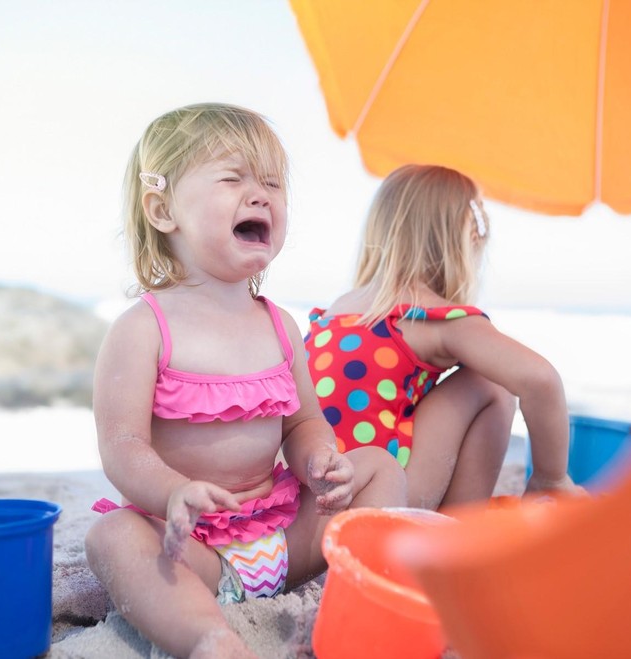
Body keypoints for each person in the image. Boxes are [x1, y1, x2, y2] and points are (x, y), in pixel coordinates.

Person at [84, 103, 407, 659]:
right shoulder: (143, 330)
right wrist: (172, 492)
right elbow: (122, 447)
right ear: (163, 211)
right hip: (193, 548)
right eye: (233, 178)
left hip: (284, 535)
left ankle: (368, 591)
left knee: (378, 465)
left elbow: (303, 422)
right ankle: (209, 637)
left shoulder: (280, 325)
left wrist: (319, 459)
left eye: (273, 184)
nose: (261, 195)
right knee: (112, 539)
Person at [304, 163, 583, 511]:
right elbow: (541, 379)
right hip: (378, 499)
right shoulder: (434, 318)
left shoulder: (339, 310)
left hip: (312, 502)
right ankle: (456, 531)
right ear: (462, 245)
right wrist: (551, 478)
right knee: (489, 384)